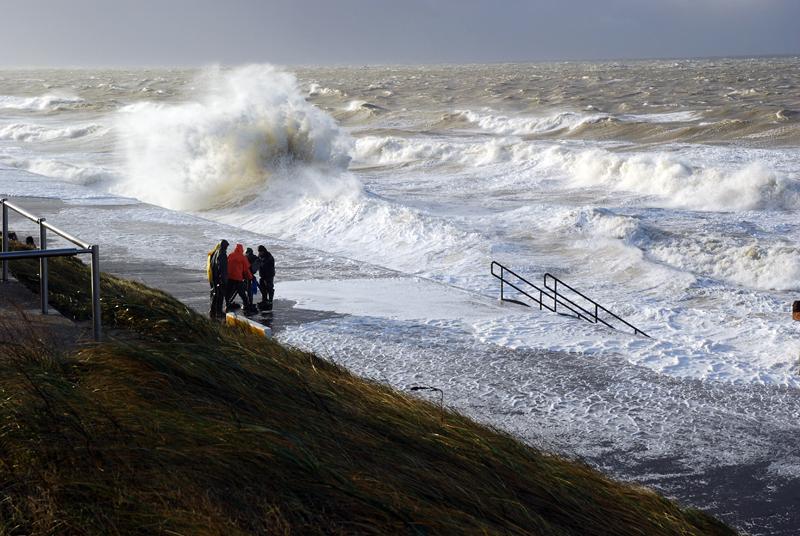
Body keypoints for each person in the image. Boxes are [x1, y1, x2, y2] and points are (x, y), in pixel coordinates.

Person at [226, 243, 256, 314]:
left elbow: (226, 265)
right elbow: (246, 269)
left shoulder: (230, 255)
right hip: (238, 278)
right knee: (242, 293)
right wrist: (250, 277)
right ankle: (246, 306)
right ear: (241, 250)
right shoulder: (242, 257)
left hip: (230, 278)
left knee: (229, 293)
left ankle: (227, 304)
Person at [207, 239, 229, 318]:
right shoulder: (222, 254)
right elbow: (222, 268)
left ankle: (212, 311)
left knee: (214, 294)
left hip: (214, 277)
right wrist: (224, 280)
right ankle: (218, 312)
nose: (227, 248)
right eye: (226, 246)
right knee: (219, 295)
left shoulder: (215, 252)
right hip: (219, 278)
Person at [257, 245, 275, 311]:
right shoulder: (260, 255)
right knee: (262, 288)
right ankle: (264, 300)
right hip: (262, 275)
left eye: (260, 252)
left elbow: (264, 264)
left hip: (269, 275)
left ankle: (270, 300)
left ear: (263, 251)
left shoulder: (269, 257)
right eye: (259, 252)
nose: (259, 253)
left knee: (269, 288)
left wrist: (260, 261)